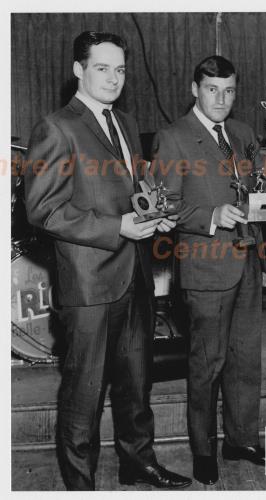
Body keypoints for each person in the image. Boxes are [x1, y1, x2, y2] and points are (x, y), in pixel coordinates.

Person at [23, 31, 189, 490]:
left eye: (120, 69)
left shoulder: (127, 123)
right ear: (79, 70)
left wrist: (153, 214)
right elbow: (43, 209)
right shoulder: (57, 127)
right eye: (102, 68)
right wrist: (116, 227)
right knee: (84, 395)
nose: (113, 78)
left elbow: (130, 192)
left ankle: (139, 464)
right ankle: (81, 486)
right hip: (89, 286)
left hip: (133, 276)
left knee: (137, 385)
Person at [151, 55, 264, 485]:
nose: (222, 98)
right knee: (206, 363)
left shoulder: (243, 133)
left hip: (248, 260)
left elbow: (254, 192)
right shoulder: (173, 136)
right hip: (205, 267)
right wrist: (212, 215)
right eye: (213, 89)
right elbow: (166, 204)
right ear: (194, 89)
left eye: (230, 90)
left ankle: (241, 438)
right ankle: (203, 448)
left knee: (245, 359)